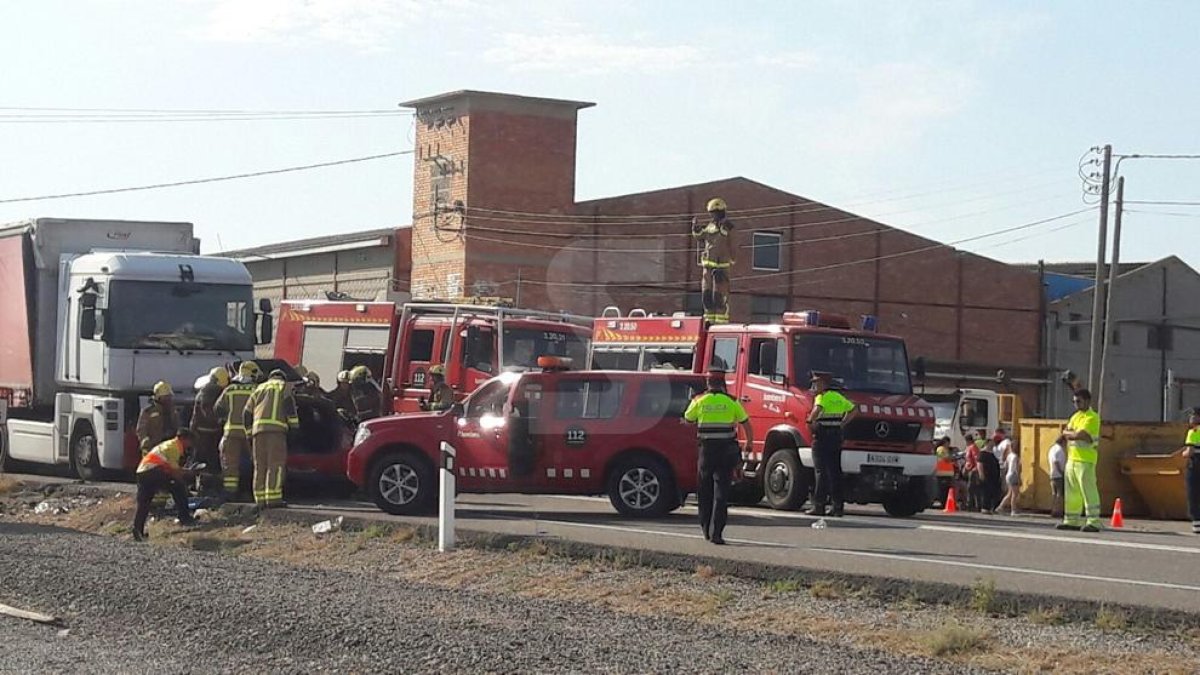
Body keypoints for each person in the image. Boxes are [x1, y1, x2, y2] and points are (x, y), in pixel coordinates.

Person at [683, 369, 753, 545]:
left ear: (708, 383)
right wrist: (749, 442)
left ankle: (706, 528)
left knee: (704, 491)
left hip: (706, 452)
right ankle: (717, 532)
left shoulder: (699, 400)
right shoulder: (731, 402)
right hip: (726, 452)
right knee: (721, 492)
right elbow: (745, 422)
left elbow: (688, 418)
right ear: (723, 383)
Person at [243, 369, 299, 508]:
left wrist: (249, 433)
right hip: (276, 431)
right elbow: (289, 406)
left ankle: (260, 500)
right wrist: (294, 427)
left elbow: (246, 413)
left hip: (258, 432)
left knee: (260, 465)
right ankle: (273, 499)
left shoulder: (259, 388)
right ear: (282, 378)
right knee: (276, 465)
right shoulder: (283, 386)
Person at [132, 429, 197, 541]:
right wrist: (188, 474)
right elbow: (175, 472)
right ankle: (185, 518)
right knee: (178, 487)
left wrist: (183, 472)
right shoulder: (174, 448)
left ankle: (138, 531)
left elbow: (169, 468)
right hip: (152, 471)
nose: (190, 444)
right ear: (183, 439)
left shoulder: (169, 445)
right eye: (190, 441)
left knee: (144, 503)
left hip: (143, 472)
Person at [806, 371, 855, 517]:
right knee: (835, 472)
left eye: (816, 383)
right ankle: (837, 506)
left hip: (822, 438)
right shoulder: (838, 397)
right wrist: (842, 423)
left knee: (820, 471)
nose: (814, 385)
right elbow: (853, 409)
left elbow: (817, 410)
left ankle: (819, 505)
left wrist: (809, 422)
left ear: (823, 384)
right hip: (836, 437)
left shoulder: (822, 397)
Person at [214, 361, 261, 499]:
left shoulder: (230, 389)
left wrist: (225, 418)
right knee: (255, 462)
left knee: (230, 464)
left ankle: (230, 494)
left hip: (231, 432)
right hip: (250, 432)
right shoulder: (256, 390)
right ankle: (251, 491)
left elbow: (218, 408)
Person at [1058, 388, 1102, 532]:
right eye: (1074, 401)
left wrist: (1069, 433)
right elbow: (1066, 432)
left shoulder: (1092, 417)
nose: (1076, 404)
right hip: (1072, 459)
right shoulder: (1075, 416)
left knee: (1088, 491)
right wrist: (1070, 433)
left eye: (1078, 401)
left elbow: (1080, 434)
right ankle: (1072, 520)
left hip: (1086, 460)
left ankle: (1093, 521)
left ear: (1087, 401)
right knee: (1072, 492)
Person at [690, 197, 735, 324]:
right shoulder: (710, 226)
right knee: (707, 297)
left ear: (721, 212)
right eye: (712, 213)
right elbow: (701, 236)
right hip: (708, 269)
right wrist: (695, 228)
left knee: (719, 298)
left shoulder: (728, 227)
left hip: (721, 268)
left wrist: (732, 259)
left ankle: (720, 323)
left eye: (715, 213)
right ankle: (708, 322)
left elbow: (733, 245)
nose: (713, 215)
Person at [190, 367, 230, 490]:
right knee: (205, 461)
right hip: (204, 433)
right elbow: (208, 413)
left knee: (205, 460)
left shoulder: (207, 391)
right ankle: (200, 485)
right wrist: (221, 420)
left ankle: (201, 485)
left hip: (206, 432)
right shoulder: (209, 393)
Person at [135, 381, 180, 456]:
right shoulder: (148, 412)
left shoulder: (173, 411)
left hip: (170, 448)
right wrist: (146, 442)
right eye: (166, 396)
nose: (168, 399)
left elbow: (177, 427)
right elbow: (141, 430)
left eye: (169, 396)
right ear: (159, 397)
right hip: (153, 449)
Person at [1183, 409, 1200, 535]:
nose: (1190, 418)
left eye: (1193, 416)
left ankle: (1197, 523)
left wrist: (1183, 453)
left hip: (1196, 464)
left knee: (1193, 492)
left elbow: (1189, 452)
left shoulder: (1194, 432)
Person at [997, 444, 1022, 516]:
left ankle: (1000, 507)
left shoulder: (1009, 456)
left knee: (1009, 493)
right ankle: (1013, 510)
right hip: (1014, 475)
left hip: (1008, 475)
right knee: (1015, 494)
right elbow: (1017, 468)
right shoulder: (1016, 457)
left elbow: (1006, 466)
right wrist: (1019, 478)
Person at [1048, 434, 1067, 519]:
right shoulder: (1059, 450)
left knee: (1054, 494)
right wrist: (1062, 472)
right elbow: (1056, 462)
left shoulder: (1052, 449)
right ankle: (1058, 510)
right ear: (1063, 441)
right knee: (1060, 493)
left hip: (1052, 473)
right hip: (1058, 474)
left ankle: (1053, 509)